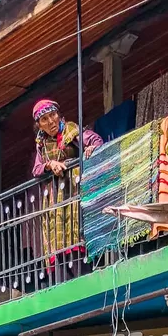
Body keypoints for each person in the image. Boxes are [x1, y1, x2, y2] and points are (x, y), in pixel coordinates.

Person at [32, 99, 102, 267]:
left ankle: (82, 262)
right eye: (44, 119)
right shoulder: (41, 145)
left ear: (58, 115)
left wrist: (91, 148)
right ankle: (62, 267)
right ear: (39, 125)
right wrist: (50, 165)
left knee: (77, 229)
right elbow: (36, 170)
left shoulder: (71, 131)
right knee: (57, 235)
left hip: (75, 190)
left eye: (53, 115)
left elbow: (96, 141)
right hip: (56, 198)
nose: (51, 122)